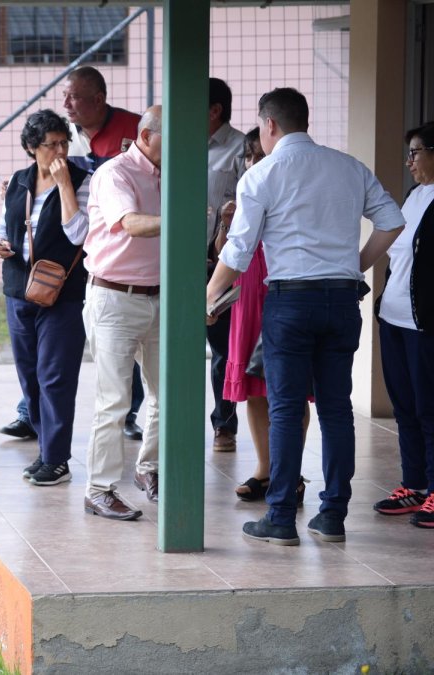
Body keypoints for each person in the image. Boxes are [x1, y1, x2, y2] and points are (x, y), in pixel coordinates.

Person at [207, 87, 405, 546]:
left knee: (285, 408)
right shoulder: (348, 167)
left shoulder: (261, 175)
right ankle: (332, 515)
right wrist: (353, 265)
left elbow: (238, 250)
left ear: (270, 125)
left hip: (290, 301)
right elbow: (392, 220)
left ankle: (279, 517)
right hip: (341, 300)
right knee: (336, 409)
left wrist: (210, 291)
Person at [0, 110, 91, 486]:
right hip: (19, 287)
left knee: (55, 377)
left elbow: (79, 234)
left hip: (62, 292)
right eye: (53, 145)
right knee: (29, 376)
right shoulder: (19, 181)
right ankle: (44, 449)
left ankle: (57, 458)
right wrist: (2, 242)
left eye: (65, 142)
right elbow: (7, 224)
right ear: (32, 148)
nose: (61, 150)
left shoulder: (84, 180)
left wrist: (65, 186)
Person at [214, 128, 310, 503]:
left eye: (258, 153)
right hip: (247, 295)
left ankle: (293, 473)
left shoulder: (289, 187)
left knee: (290, 388)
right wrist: (226, 221)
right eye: (248, 156)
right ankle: (265, 470)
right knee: (255, 388)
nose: (253, 161)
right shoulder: (246, 189)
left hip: (281, 292)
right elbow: (224, 250)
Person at [81, 106, 164, 521]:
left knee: (165, 396)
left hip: (160, 297)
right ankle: (99, 489)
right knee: (114, 400)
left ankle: (149, 469)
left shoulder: (171, 172)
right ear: (146, 137)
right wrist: (181, 220)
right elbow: (130, 223)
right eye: (170, 139)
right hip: (114, 298)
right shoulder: (115, 173)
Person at [58, 65, 145, 443]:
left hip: (125, 256)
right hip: (73, 252)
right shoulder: (63, 136)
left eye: (74, 96)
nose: (66, 104)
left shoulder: (135, 129)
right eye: (65, 95)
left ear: (99, 99)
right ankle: (31, 411)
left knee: (131, 344)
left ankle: (130, 412)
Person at [372, 122, 434, 529]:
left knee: (430, 408)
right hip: (394, 318)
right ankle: (414, 484)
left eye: (414, 152)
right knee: (405, 407)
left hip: (424, 323)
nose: (408, 161)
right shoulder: (415, 197)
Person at [204, 77, 245, 453]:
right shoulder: (178, 143)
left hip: (222, 261)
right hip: (173, 261)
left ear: (215, 110)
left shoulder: (239, 148)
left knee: (222, 349)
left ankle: (224, 425)